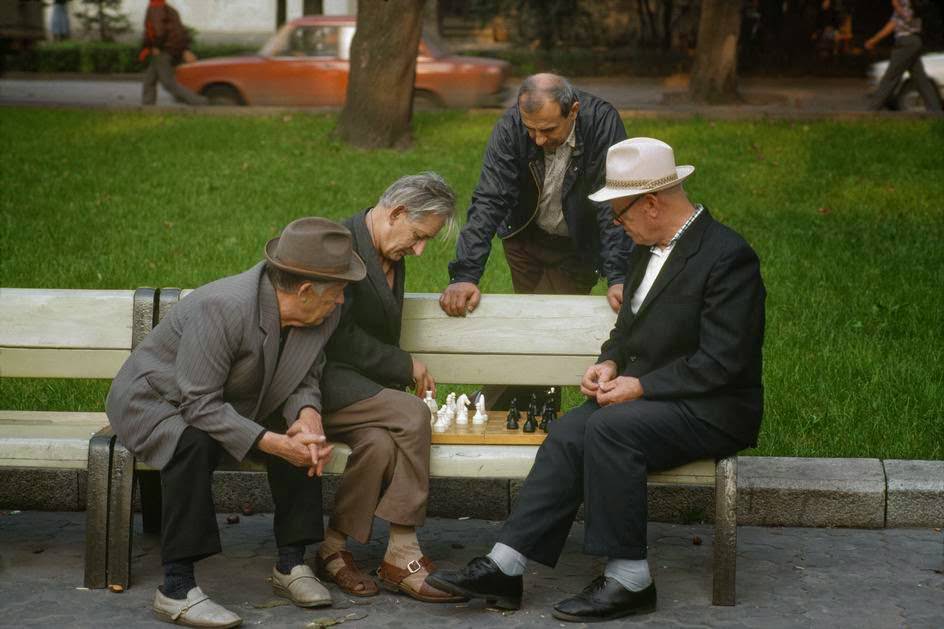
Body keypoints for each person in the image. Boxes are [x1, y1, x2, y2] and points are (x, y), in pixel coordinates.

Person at [427, 137, 766, 623]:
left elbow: (723, 362)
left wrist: (640, 386)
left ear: (651, 204)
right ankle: (506, 566)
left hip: (716, 406)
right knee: (569, 429)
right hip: (652, 401)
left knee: (609, 429)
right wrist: (610, 362)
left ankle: (631, 580)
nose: (614, 223)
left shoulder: (729, 256)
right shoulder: (645, 248)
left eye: (619, 211)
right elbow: (627, 330)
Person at [105, 217, 366, 628]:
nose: (341, 301)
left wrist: (307, 417)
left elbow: (304, 375)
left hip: (237, 395)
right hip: (159, 399)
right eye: (337, 290)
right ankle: (176, 588)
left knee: (298, 437)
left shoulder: (322, 311)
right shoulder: (223, 307)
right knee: (191, 443)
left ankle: (291, 564)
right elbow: (199, 405)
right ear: (303, 290)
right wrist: (271, 442)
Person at [440, 73, 631, 408]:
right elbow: (489, 200)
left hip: (578, 246)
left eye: (548, 130)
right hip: (525, 239)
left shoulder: (602, 122)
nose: (538, 139)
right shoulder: (511, 126)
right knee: (531, 333)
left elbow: (610, 202)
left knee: (544, 333)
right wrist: (465, 275)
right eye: (531, 130)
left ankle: (482, 405)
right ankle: (536, 417)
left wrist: (619, 276)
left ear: (572, 111)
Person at [317, 173, 465, 603]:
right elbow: (336, 335)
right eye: (418, 236)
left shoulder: (389, 254)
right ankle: (403, 550)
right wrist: (406, 365)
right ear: (396, 213)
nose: (419, 250)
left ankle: (332, 549)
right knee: (411, 414)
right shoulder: (338, 245)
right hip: (315, 382)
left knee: (379, 444)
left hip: (353, 388)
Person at [865, 0, 942, 112]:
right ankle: (936, 112)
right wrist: (873, 41)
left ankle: (871, 112)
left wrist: (896, 4)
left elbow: (904, 19)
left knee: (890, 77)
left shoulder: (906, 4)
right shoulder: (903, 5)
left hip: (907, 43)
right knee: (920, 79)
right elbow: (892, 24)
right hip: (911, 42)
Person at [139, 0, 207, 106]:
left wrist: (155, 45)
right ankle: (147, 108)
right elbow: (180, 31)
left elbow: (158, 30)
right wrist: (184, 49)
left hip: (162, 50)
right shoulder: (169, 9)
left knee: (168, 83)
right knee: (149, 81)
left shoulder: (156, 8)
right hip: (169, 49)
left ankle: (199, 102)